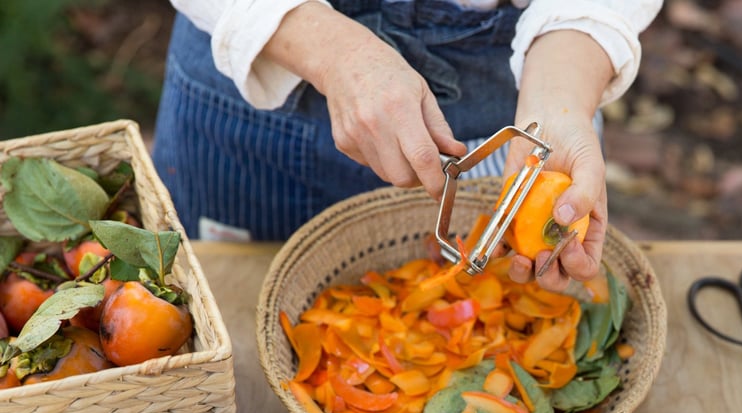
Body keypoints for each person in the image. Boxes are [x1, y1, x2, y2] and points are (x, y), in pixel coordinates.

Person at [153, 0, 662, 290]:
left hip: (507, 123)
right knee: (224, 327)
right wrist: (335, 54)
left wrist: (558, 104)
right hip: (254, 89)